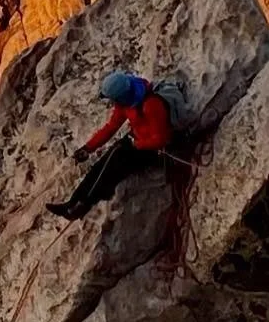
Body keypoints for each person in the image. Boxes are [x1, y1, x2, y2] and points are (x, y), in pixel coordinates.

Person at [48, 70, 174, 220]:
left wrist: (137, 144)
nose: (112, 103)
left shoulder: (151, 104)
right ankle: (72, 202)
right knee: (101, 165)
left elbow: (161, 139)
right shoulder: (127, 102)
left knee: (111, 170)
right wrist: (88, 148)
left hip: (153, 150)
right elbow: (111, 127)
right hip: (137, 140)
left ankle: (83, 205)